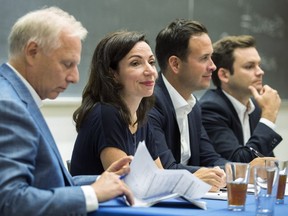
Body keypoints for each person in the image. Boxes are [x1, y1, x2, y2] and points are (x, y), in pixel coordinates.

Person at [0, 7, 134, 216]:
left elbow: (45, 183)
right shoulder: (8, 106)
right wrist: (91, 194)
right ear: (32, 52)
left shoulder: (14, 96)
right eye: (67, 64)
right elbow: (11, 202)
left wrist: (101, 181)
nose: (75, 78)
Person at [148, 19, 227, 192]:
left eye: (211, 57)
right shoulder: (149, 103)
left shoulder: (193, 105)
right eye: (204, 58)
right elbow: (165, 169)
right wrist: (202, 175)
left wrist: (245, 171)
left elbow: (210, 158)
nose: (212, 66)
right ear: (175, 64)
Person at [70, 31, 163, 176]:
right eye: (136, 63)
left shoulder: (141, 116)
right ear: (113, 74)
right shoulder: (106, 114)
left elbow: (159, 177)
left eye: (151, 62)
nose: (150, 71)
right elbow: (128, 182)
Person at [199, 35, 282, 162]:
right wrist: (269, 116)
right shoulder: (211, 108)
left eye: (259, 65)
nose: (260, 72)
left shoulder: (256, 107)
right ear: (224, 75)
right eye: (249, 66)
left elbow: (268, 164)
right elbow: (239, 165)